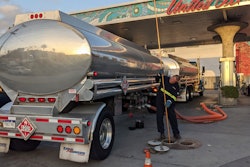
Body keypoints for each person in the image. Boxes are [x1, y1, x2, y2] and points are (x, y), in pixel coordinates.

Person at [156, 74, 181, 141]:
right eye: (172, 79)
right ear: (172, 77)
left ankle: (176, 133)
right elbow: (157, 79)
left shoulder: (176, 87)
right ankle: (162, 133)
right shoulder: (164, 79)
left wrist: (170, 101)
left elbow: (174, 96)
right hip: (160, 101)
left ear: (176, 82)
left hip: (169, 104)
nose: (172, 80)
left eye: (174, 81)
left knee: (172, 117)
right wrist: (159, 75)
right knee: (159, 117)